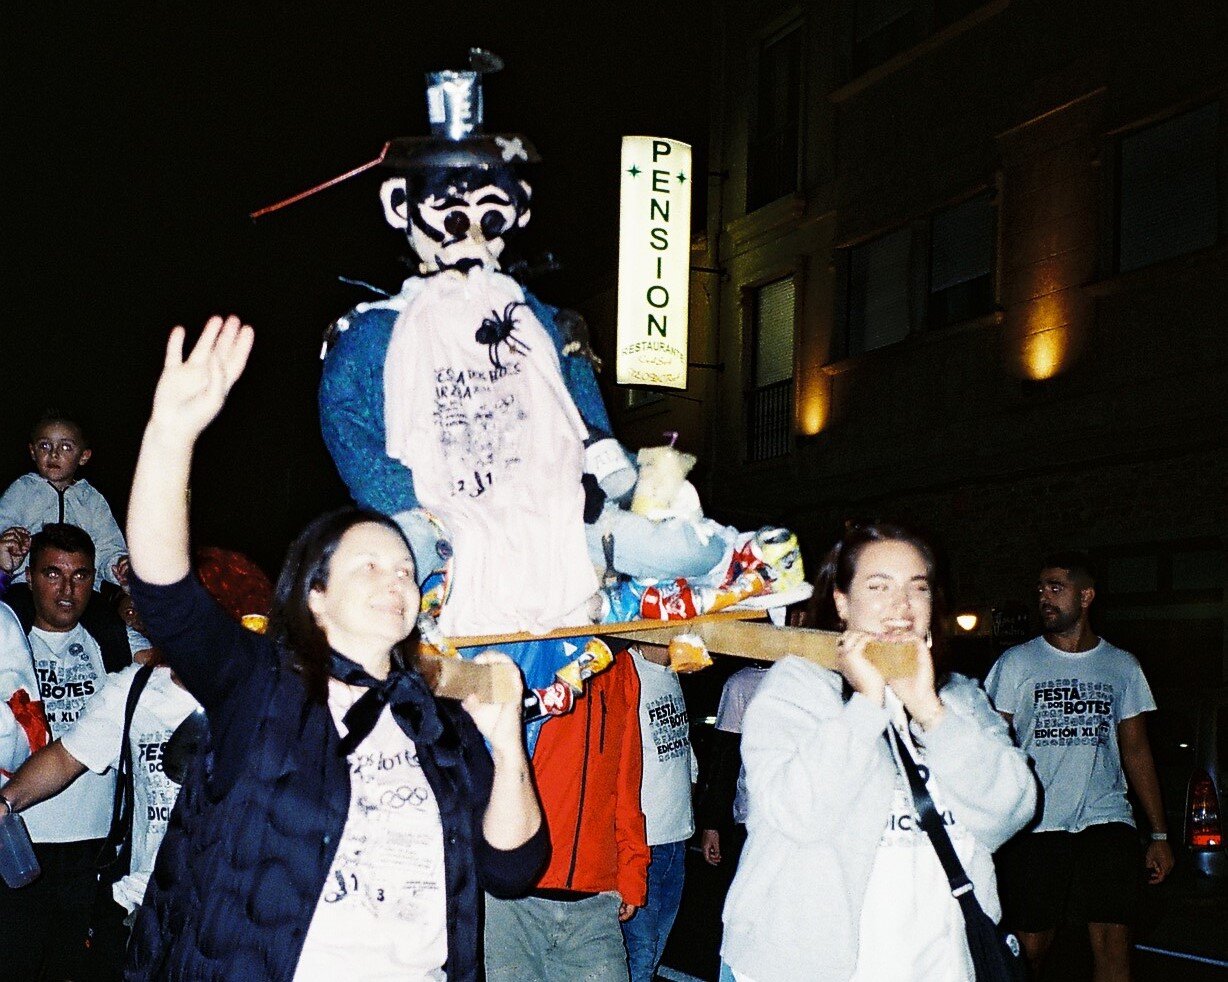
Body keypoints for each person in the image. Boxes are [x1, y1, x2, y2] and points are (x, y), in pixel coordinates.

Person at [122, 314, 547, 980]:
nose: (395, 580)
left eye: (405, 570)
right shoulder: (261, 689)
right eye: (369, 567)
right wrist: (171, 435)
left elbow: (514, 869)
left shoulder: (433, 719)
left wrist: (506, 739)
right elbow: (165, 590)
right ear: (314, 596)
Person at [720, 522, 1037, 982]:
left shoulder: (961, 699)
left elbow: (1011, 811)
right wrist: (867, 704)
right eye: (878, 586)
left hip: (941, 965)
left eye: (918, 588)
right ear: (842, 603)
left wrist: (929, 709)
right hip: (812, 966)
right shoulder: (798, 687)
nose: (901, 606)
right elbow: (798, 814)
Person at [986, 552, 1174, 981]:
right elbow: (991, 747)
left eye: (1056, 588)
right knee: (1030, 947)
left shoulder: (1121, 666)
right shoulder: (1017, 663)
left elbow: (1137, 751)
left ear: (1086, 596)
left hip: (1106, 816)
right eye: (1040, 590)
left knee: (1113, 940)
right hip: (1037, 821)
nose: (1044, 598)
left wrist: (1159, 833)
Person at [0, 523, 132, 980]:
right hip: (20, 840)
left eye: (79, 576)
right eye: (52, 573)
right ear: (30, 576)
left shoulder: (116, 643)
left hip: (92, 849)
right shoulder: (7, 640)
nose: (66, 589)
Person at [485, 647, 649, 982]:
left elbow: (627, 776)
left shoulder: (621, 666)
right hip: (515, 901)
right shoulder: (531, 651)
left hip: (595, 904)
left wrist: (632, 872)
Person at [622, 643, 697, 982]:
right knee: (639, 957)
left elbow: (681, 749)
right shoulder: (627, 670)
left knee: (651, 957)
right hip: (644, 844)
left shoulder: (670, 672)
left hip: (676, 839)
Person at [0, 412, 129, 590]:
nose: (53, 454)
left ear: (83, 456)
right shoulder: (22, 490)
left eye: (66, 447)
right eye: (44, 445)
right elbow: (4, 526)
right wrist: (9, 544)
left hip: (80, 591)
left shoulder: (91, 499)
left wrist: (119, 566)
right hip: (28, 586)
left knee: (104, 616)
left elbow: (107, 546)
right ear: (32, 452)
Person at [696, 663, 769, 870]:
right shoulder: (742, 683)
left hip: (804, 819)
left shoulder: (817, 677)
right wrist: (712, 824)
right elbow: (724, 760)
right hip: (751, 818)